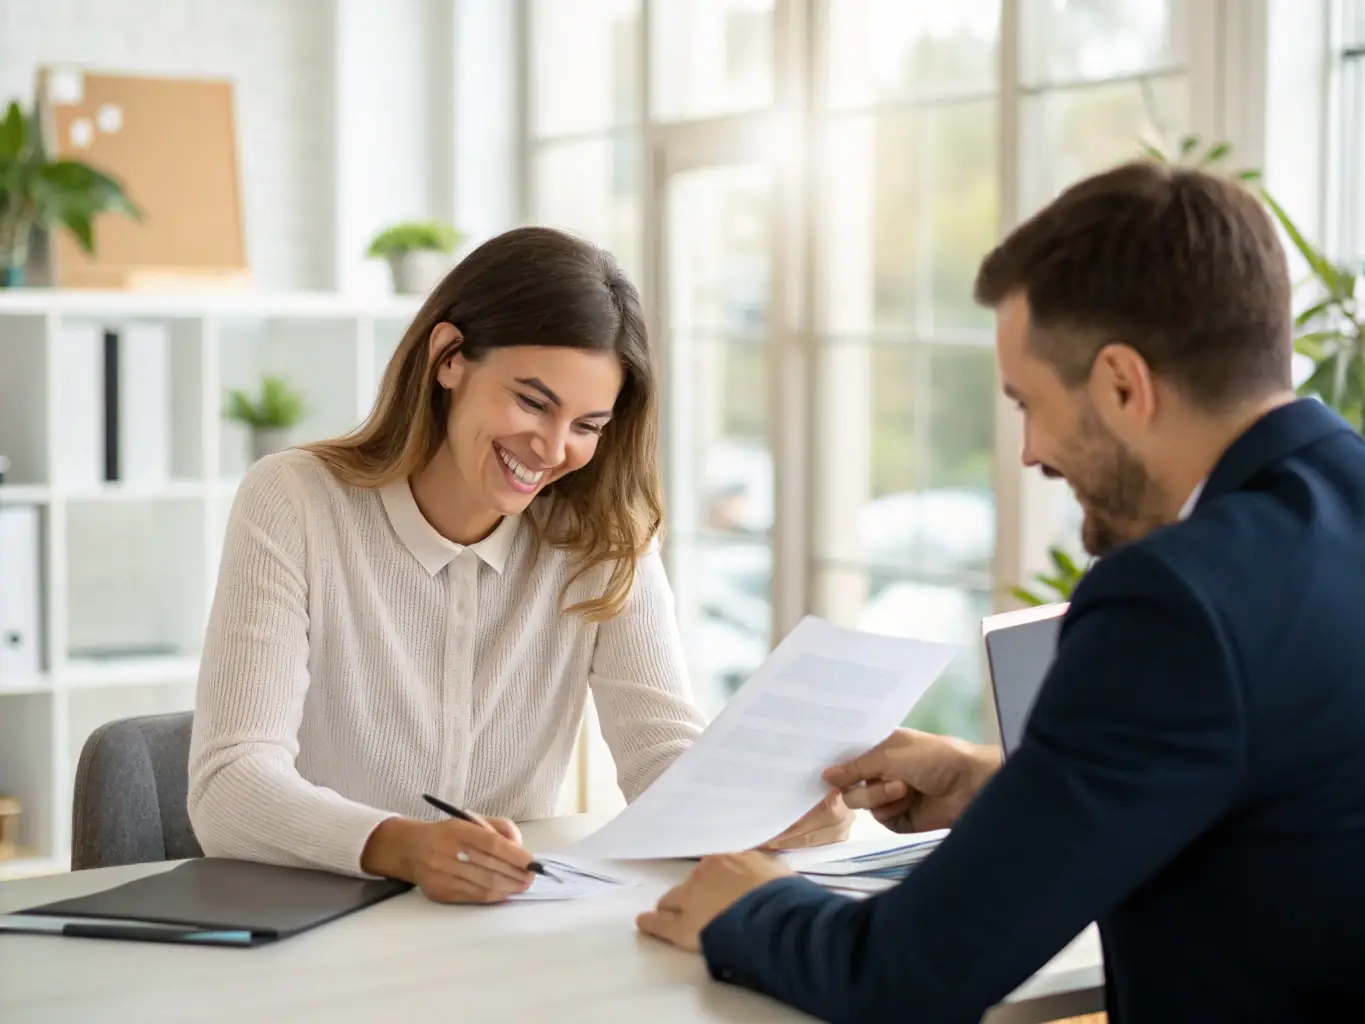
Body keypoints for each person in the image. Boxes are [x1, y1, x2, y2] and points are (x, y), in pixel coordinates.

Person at [637, 160, 1365, 1021]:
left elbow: (908, 975)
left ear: (1123, 386)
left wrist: (746, 906)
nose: (1026, 452)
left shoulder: (1173, 604)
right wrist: (993, 782)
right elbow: (1287, 798)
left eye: (1027, 402)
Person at [188, 226, 851, 904]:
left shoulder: (603, 536)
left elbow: (660, 755)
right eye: (533, 402)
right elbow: (230, 782)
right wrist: (406, 848)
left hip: (504, 919)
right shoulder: (295, 500)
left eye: (587, 426)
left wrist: (766, 812)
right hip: (316, 919)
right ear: (449, 357)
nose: (552, 448)